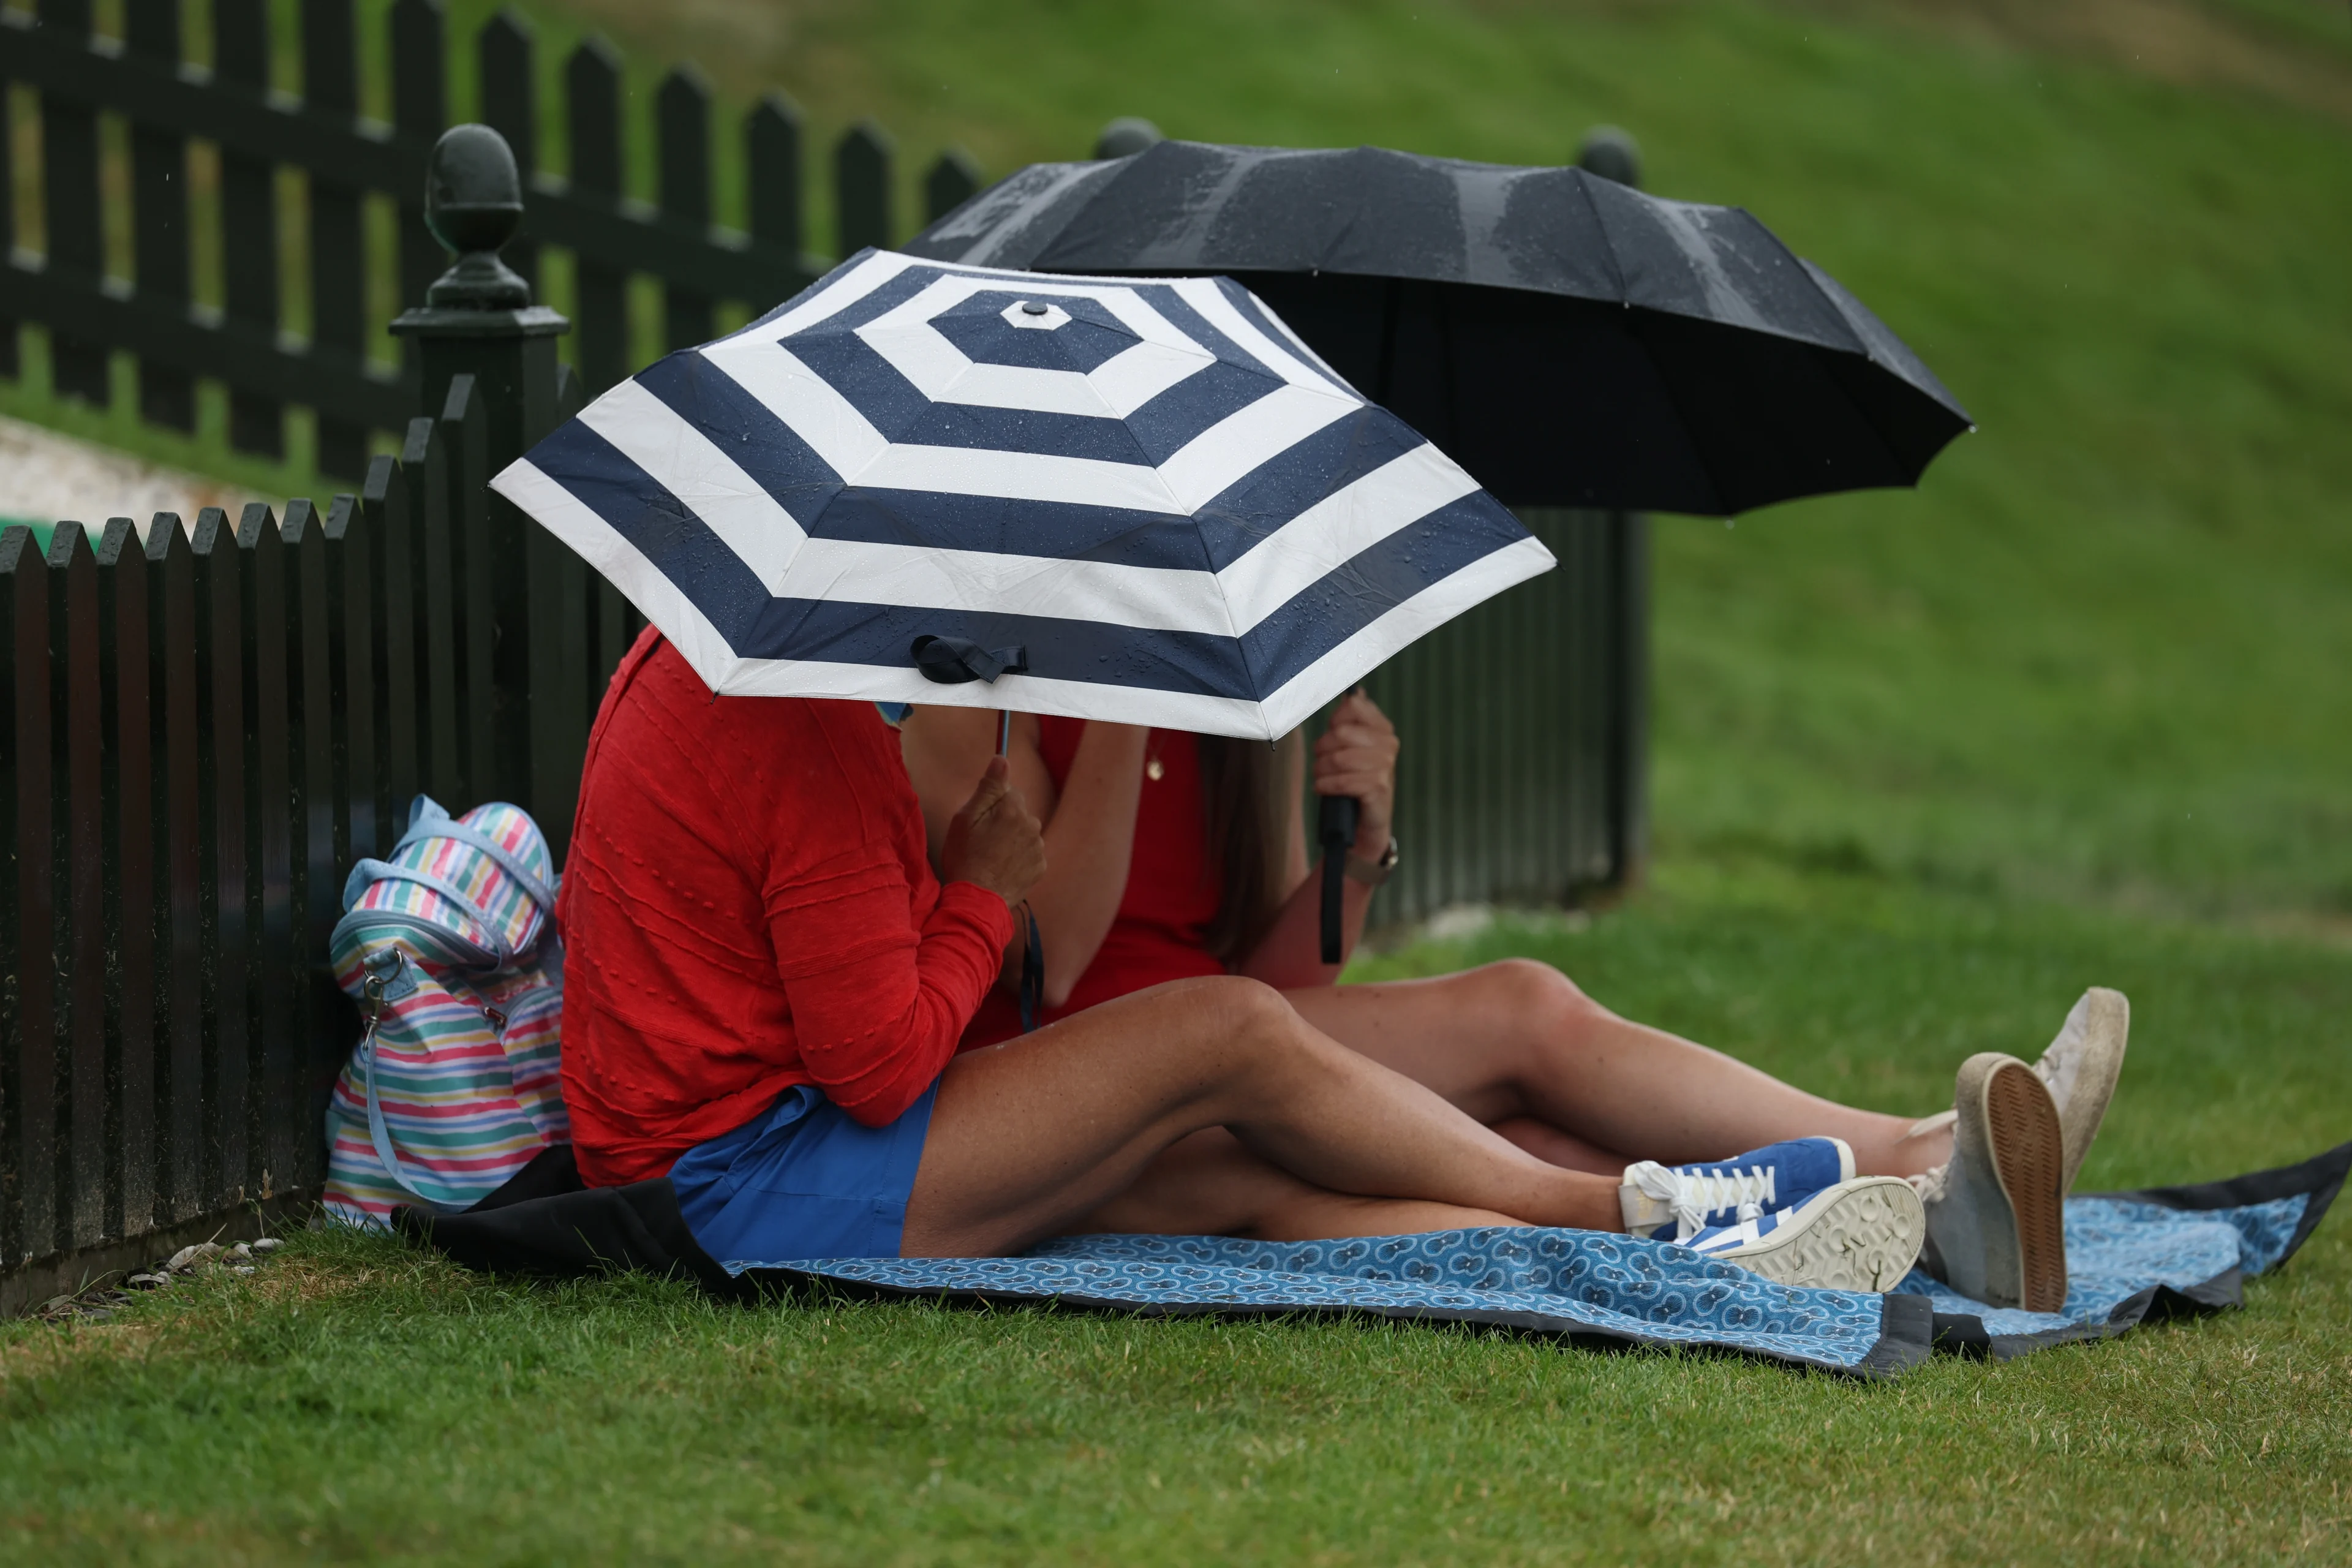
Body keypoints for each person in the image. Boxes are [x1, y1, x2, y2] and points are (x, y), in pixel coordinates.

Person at [554, 632, 1927, 1295]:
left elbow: (1294, 975)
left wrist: (1354, 857)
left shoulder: (723, 681)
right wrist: (979, 898)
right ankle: (1634, 1211)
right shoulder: (827, 730)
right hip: (747, 1182)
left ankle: (1750, 1226)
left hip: (761, 1148)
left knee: (1273, 1122)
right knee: (1221, 1032)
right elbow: (881, 1062)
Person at [895, 697, 2132, 1311]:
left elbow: (1274, 995)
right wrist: (1123, 693)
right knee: (1519, 1015)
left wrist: (1353, 856)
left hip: (1229, 1048)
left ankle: (1921, 1211)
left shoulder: (1227, 706)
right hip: (1073, 1087)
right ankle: (1922, 1157)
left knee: (1533, 1131)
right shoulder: (971, 706)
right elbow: (1050, 961)